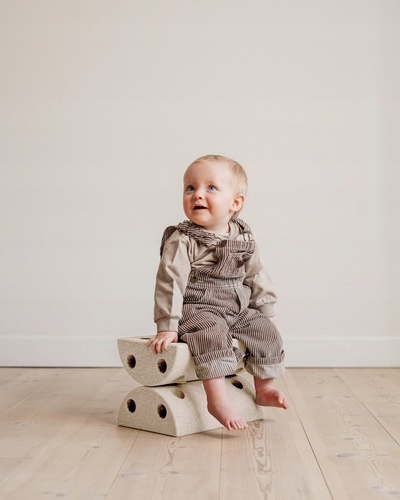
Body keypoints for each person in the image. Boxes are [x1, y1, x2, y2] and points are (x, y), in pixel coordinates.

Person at [147, 154, 288, 430]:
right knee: (211, 335)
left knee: (266, 332)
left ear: (235, 203)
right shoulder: (183, 240)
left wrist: (266, 311)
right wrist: (167, 326)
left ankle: (264, 388)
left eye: (211, 187)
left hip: (237, 307)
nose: (197, 194)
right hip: (198, 308)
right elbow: (169, 282)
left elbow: (256, 274)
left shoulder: (244, 237)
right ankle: (217, 400)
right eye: (190, 188)